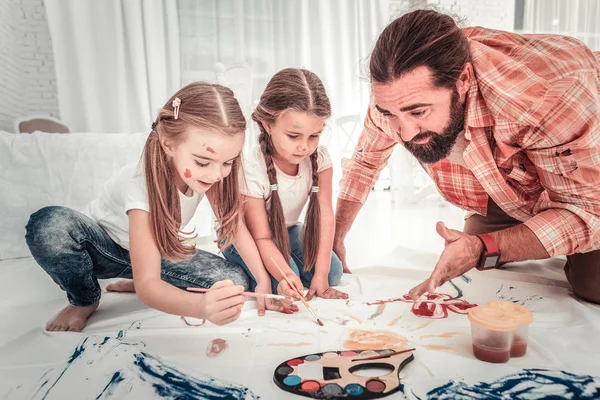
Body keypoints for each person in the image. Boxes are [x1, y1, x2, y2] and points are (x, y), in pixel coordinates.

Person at [333, 9, 600, 303]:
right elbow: (365, 162)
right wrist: (336, 235)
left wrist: (481, 246)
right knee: (481, 269)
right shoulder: (397, 94)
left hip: (590, 172)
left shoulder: (547, 95)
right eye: (391, 115)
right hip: (515, 186)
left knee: (592, 286)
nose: (405, 133)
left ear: (463, 81)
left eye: (419, 112)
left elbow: (589, 212)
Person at [26, 82, 279, 332]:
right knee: (50, 226)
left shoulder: (212, 174)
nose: (216, 174)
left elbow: (232, 226)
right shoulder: (142, 186)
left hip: (153, 252)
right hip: (102, 250)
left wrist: (262, 280)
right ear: (169, 143)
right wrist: (201, 307)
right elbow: (149, 289)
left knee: (234, 282)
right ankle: (84, 300)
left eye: (228, 162)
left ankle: (137, 274)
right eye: (203, 162)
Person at [224, 68, 348, 302]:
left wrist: (320, 276)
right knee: (280, 282)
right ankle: (243, 269)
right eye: (293, 136)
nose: (304, 147)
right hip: (247, 238)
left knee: (333, 272)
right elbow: (261, 237)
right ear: (268, 125)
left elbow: (325, 218)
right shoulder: (252, 168)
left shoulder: (320, 160)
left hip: (286, 229)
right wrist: (287, 275)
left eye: (314, 136)